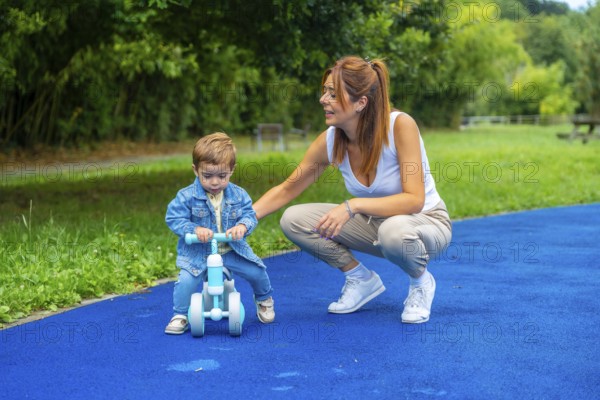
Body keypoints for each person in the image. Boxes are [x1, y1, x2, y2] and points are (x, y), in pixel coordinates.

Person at [253, 56, 451, 324]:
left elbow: (414, 200)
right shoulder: (332, 139)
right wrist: (243, 219)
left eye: (333, 94)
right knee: (294, 220)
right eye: (324, 91)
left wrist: (353, 206)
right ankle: (360, 279)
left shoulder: (400, 126)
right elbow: (288, 189)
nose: (323, 99)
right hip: (375, 226)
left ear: (361, 102)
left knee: (392, 232)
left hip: (425, 224)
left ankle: (420, 282)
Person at [164, 132, 275, 334]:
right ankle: (180, 314)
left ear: (232, 170)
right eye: (207, 176)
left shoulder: (238, 195)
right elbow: (173, 218)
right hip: (199, 252)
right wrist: (194, 229)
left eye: (222, 176)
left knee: (257, 271)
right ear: (195, 170)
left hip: (232, 249)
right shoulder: (187, 196)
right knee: (186, 281)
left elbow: (250, 215)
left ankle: (263, 298)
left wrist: (242, 226)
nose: (215, 182)